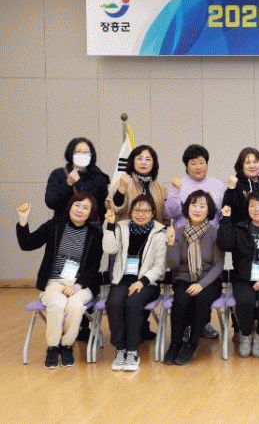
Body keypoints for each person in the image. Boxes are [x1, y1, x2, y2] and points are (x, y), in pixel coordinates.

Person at [16, 194, 103, 368]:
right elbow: (28, 244)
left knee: (75, 306)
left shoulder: (94, 233)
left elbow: (94, 265)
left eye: (86, 208)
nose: (80, 210)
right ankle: (53, 347)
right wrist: (23, 221)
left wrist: (78, 285)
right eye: (77, 205)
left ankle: (67, 346)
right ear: (70, 206)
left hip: (81, 284)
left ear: (91, 213)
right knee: (58, 303)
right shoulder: (55, 224)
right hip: (54, 281)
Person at [164, 144, 225, 340]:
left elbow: (222, 213)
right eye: (193, 163)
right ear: (186, 166)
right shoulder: (179, 184)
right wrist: (175, 191)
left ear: (207, 164)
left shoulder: (218, 185)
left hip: (209, 239)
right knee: (184, 288)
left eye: (202, 162)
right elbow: (170, 213)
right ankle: (185, 326)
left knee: (204, 288)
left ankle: (202, 323)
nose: (198, 166)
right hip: (184, 241)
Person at [217, 191, 259, 358]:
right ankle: (246, 335)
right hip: (243, 279)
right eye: (252, 205)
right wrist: (226, 220)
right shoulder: (239, 228)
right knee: (245, 300)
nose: (257, 209)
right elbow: (225, 244)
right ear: (247, 209)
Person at [103, 195, 167, 371]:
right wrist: (110, 226)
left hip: (148, 283)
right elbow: (109, 248)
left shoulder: (159, 233)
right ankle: (120, 349)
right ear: (131, 212)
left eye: (146, 210)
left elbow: (159, 267)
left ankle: (132, 351)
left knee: (133, 302)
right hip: (122, 281)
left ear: (152, 213)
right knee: (114, 302)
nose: (141, 214)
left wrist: (142, 281)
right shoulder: (121, 228)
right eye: (137, 210)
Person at [163, 190, 224, 365]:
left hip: (209, 281)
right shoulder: (178, 231)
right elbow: (173, 264)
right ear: (187, 208)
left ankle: (192, 343)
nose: (197, 209)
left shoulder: (215, 233)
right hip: (184, 278)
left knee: (201, 299)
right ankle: (175, 343)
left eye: (202, 206)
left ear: (209, 210)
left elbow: (218, 265)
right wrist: (171, 243)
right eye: (194, 205)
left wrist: (201, 285)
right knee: (181, 300)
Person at [46, 137, 110, 222]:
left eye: (86, 152)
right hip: (63, 225)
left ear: (91, 155)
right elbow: (51, 202)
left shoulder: (99, 177)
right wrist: (68, 183)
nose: (82, 155)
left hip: (90, 227)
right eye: (78, 152)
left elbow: (103, 208)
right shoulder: (59, 174)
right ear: (71, 153)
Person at [105, 144, 169, 224]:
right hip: (127, 230)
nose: (143, 162)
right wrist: (121, 189)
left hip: (154, 231)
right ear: (133, 162)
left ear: (153, 163)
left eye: (148, 159)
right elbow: (112, 209)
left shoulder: (160, 187)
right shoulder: (123, 182)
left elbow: (166, 216)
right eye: (139, 159)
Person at [222, 147, 259, 225]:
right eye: (248, 163)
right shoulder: (235, 186)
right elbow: (227, 212)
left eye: (255, 162)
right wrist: (231, 188)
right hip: (240, 231)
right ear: (241, 166)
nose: (252, 166)